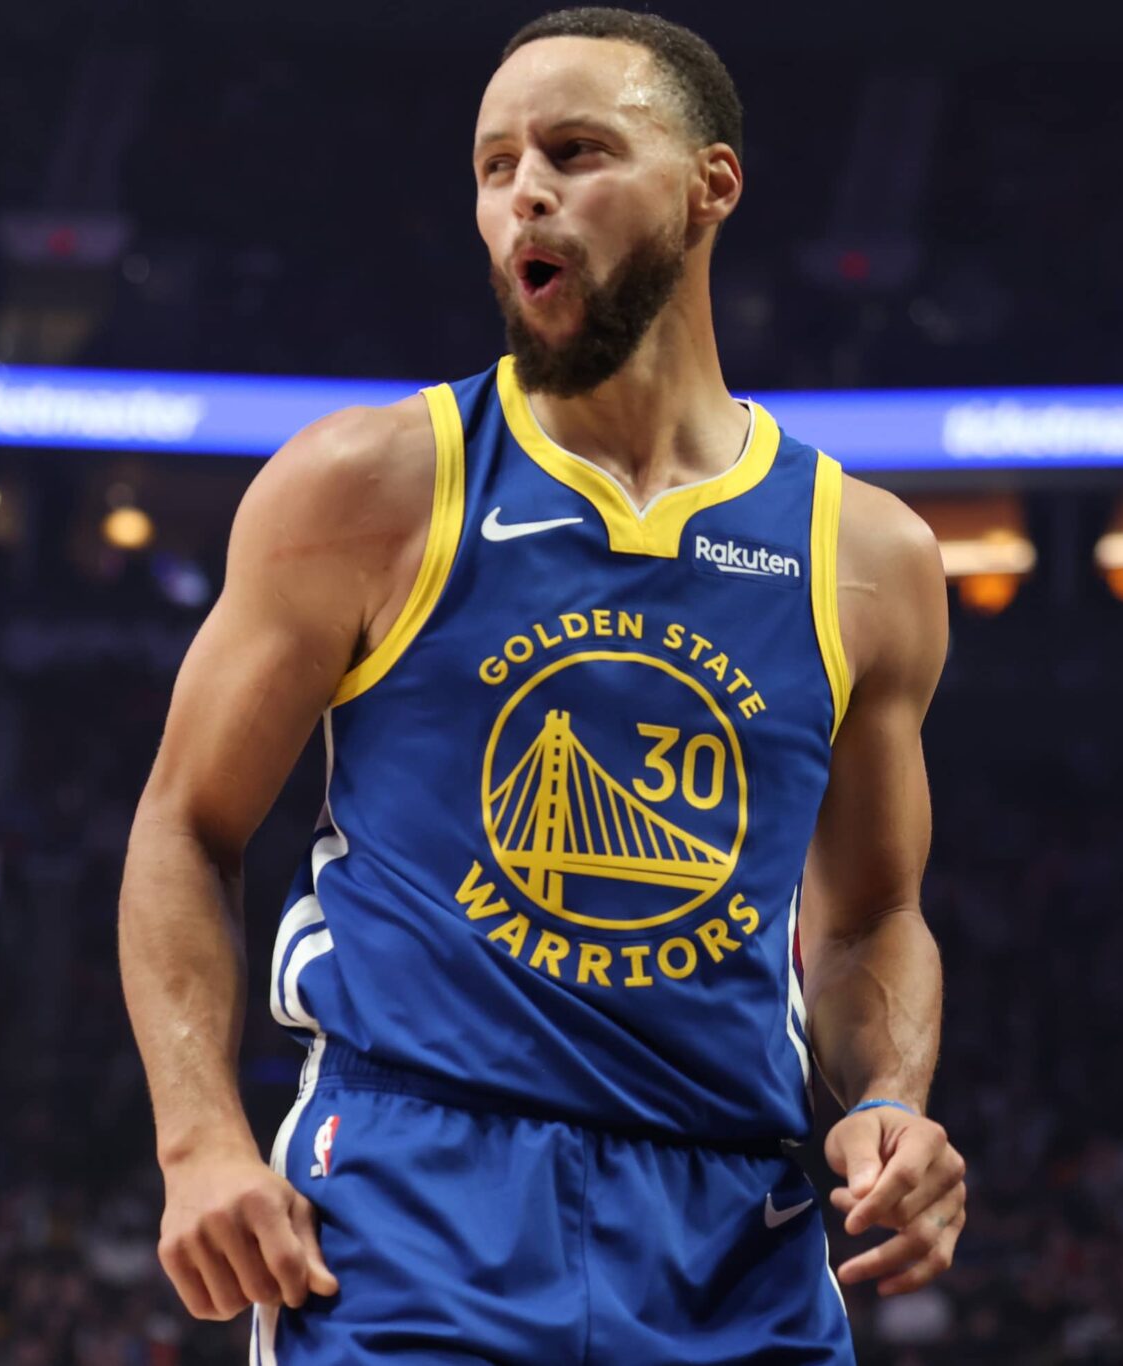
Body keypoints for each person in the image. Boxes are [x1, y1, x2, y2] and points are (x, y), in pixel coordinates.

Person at [118, 8, 963, 1362]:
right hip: (412, 1209)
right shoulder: (371, 484)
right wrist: (202, 1138)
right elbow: (183, 825)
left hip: (735, 1231)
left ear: (711, 185)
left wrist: (893, 1097)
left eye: (576, 151)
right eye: (495, 164)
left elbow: (871, 914)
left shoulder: (868, 553)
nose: (526, 192)